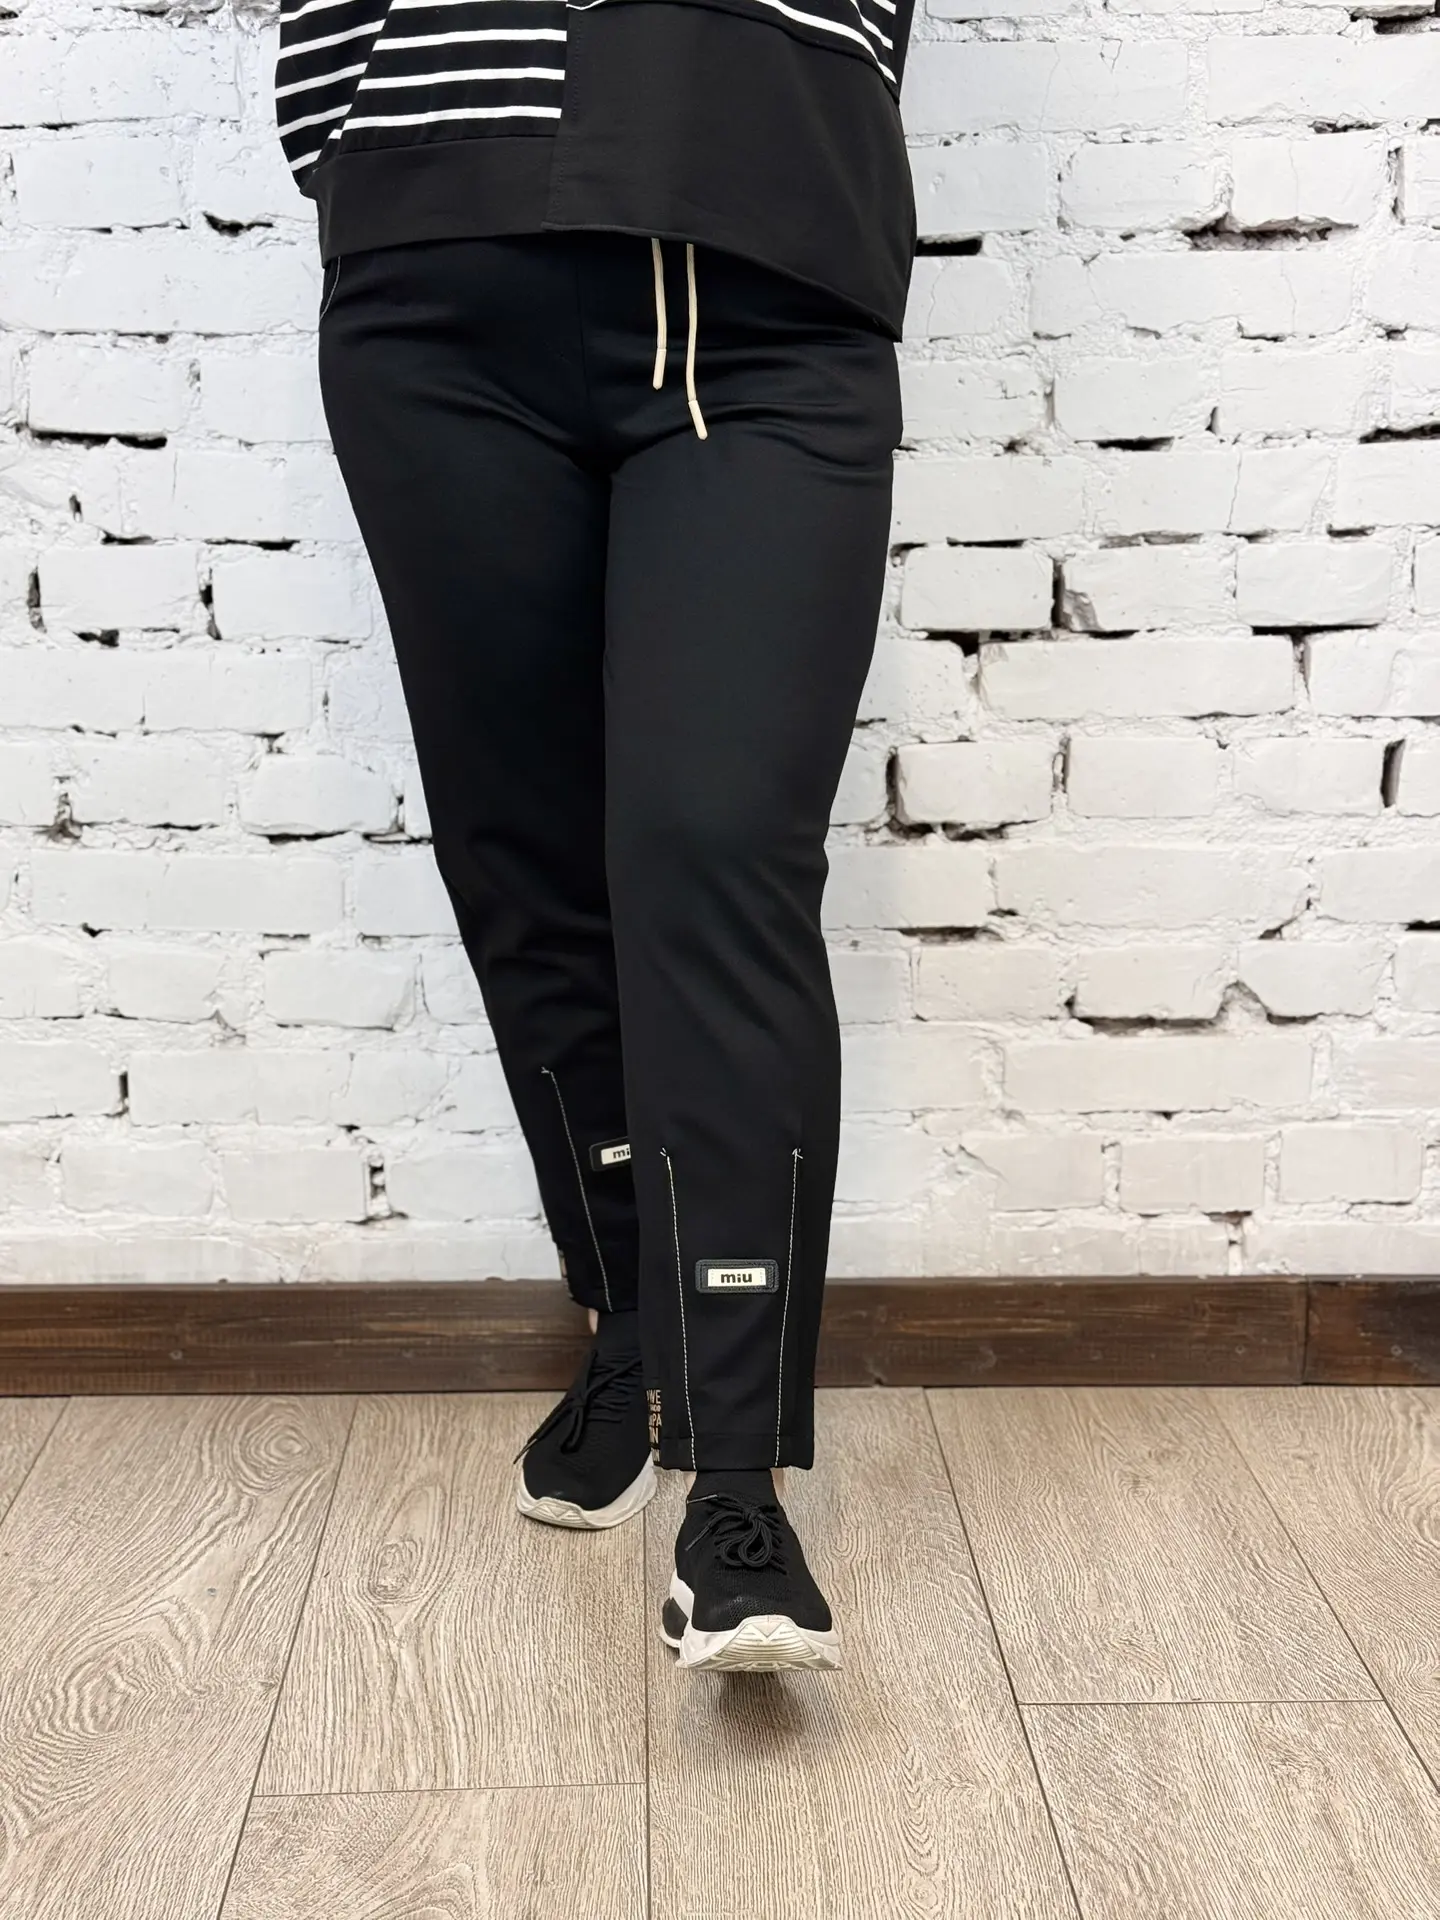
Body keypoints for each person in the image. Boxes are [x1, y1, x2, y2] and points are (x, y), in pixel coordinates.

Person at [274, 0, 917, 1673]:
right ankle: (631, 1327)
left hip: (762, 245)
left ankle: (736, 1483)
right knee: (527, 852)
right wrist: (366, 152)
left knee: (714, 845)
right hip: (433, 254)